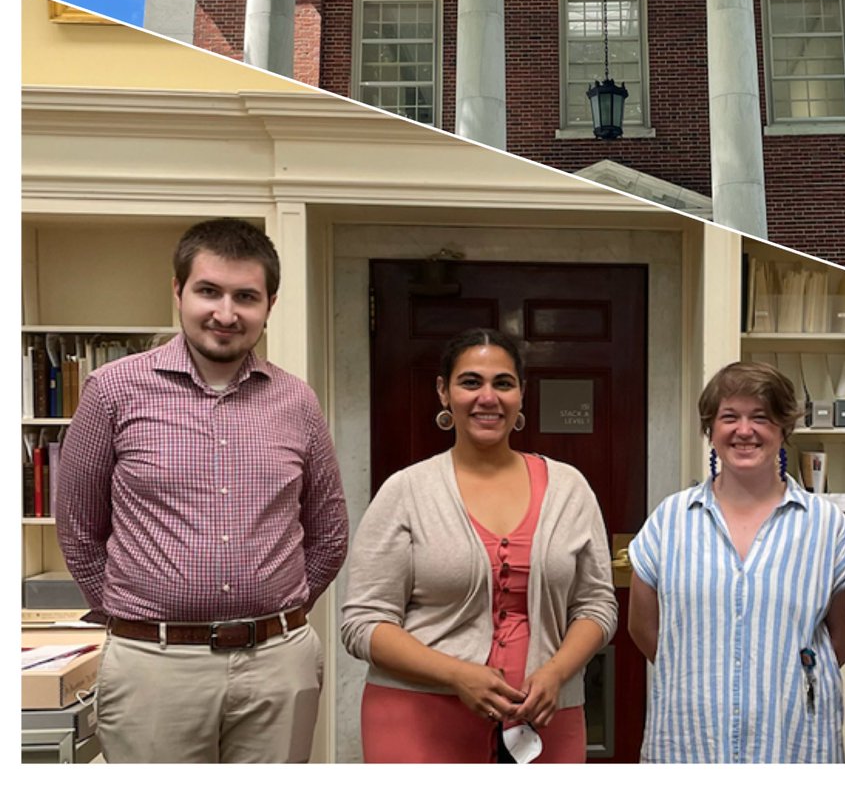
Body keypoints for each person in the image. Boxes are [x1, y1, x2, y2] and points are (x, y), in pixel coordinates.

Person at [55, 217, 349, 764]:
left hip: (277, 665)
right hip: (154, 665)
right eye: (208, 291)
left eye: (246, 296)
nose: (226, 313)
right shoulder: (113, 391)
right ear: (178, 291)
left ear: (269, 304)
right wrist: (133, 615)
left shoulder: (297, 402)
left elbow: (329, 533)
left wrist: (276, 610)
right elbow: (77, 528)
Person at [341, 327, 617, 763]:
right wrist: (456, 674)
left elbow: (597, 606)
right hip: (418, 719)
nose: (487, 397)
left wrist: (557, 673)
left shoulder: (570, 488)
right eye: (470, 382)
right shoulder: (406, 491)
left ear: (521, 394)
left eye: (503, 383)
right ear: (443, 392)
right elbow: (363, 623)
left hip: (546, 718)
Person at [627, 361, 845, 763]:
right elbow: (644, 628)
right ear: (710, 430)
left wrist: (783, 677)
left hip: (792, 737)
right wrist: (700, 672)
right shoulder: (671, 519)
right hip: (690, 736)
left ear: (783, 429)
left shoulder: (826, 525)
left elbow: (842, 638)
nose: (744, 430)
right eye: (729, 417)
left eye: (761, 418)